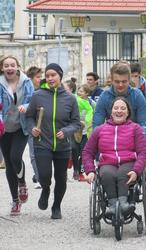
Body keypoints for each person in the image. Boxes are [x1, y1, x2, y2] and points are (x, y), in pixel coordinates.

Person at [26, 63, 81, 219]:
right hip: (42, 142)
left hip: (63, 145)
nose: (50, 78)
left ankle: (56, 206)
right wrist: (32, 129)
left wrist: (66, 131)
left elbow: (76, 123)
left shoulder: (70, 98)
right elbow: (29, 116)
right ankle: (45, 189)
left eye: (53, 75)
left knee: (61, 178)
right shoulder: (38, 95)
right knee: (44, 174)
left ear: (60, 76)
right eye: (48, 75)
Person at [83, 97, 146, 216]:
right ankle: (113, 205)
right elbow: (87, 152)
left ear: (128, 112)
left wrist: (136, 170)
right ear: (111, 111)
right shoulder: (100, 130)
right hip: (107, 162)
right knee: (106, 174)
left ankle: (124, 204)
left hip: (129, 162)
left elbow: (143, 152)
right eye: (116, 108)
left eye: (123, 108)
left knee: (124, 173)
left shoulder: (136, 129)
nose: (119, 111)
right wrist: (90, 171)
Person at [0, 55, 34, 216]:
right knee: (8, 163)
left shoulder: (26, 82)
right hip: (4, 128)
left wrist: (26, 106)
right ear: (2, 68)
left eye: (12, 65)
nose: (9, 68)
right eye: (6, 65)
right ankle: (15, 201)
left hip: (21, 126)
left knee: (15, 157)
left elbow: (32, 100)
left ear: (18, 66)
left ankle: (22, 182)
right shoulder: (0, 83)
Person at [92, 62, 146, 135]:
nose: (120, 85)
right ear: (112, 80)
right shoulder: (104, 96)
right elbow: (97, 125)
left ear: (129, 80)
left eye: (124, 81)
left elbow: (144, 124)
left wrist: (137, 140)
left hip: (133, 138)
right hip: (110, 139)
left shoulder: (137, 95)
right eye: (117, 81)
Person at [26, 66, 43, 188]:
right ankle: (39, 177)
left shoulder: (41, 91)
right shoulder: (28, 91)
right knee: (33, 154)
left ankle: (40, 177)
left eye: (40, 77)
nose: (40, 79)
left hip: (39, 126)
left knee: (37, 154)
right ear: (30, 79)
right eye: (38, 77)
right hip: (27, 126)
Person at [73, 84, 93, 181]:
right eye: (79, 90)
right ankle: (75, 169)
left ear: (87, 94)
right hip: (74, 131)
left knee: (83, 152)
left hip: (85, 132)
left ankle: (80, 172)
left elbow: (93, 113)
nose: (79, 93)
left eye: (82, 91)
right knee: (74, 150)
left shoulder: (90, 104)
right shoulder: (74, 100)